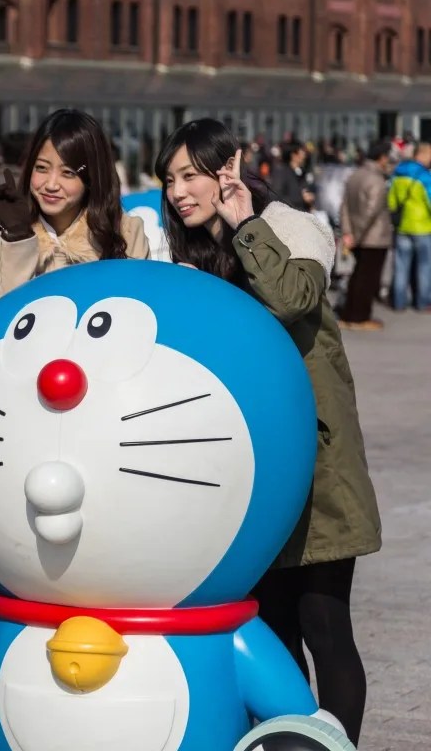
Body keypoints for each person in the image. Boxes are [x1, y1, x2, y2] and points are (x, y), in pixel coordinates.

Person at [156, 118, 382, 746]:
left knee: (324, 621)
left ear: (228, 168)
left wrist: (243, 221)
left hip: (315, 462)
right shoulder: (187, 255)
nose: (178, 191)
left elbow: (291, 300)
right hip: (244, 468)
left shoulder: (290, 227)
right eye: (169, 179)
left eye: (191, 175)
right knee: (272, 625)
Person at [0, 109, 150, 314]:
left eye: (68, 173)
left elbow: (136, 310)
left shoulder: (124, 231)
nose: (51, 184)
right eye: (41, 168)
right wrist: (18, 239)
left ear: (92, 178)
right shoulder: (4, 236)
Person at [338, 140, 395, 330]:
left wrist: (348, 232)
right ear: (381, 158)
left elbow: (344, 206)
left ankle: (349, 313)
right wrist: (357, 235)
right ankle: (360, 316)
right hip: (373, 238)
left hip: (356, 235)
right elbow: (370, 212)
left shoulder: (355, 175)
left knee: (357, 276)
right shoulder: (377, 180)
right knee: (369, 279)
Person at [387, 141, 431, 312]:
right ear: (423, 154)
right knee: (424, 266)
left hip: (403, 227)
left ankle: (399, 303)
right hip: (423, 227)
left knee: (401, 266)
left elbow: (391, 202)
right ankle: (422, 302)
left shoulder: (398, 173)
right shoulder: (424, 176)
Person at [271, 141, 317, 211]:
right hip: (288, 215)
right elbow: (277, 196)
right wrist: (301, 198)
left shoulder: (303, 172)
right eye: (302, 152)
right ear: (293, 155)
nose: (304, 155)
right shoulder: (282, 172)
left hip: (302, 214)